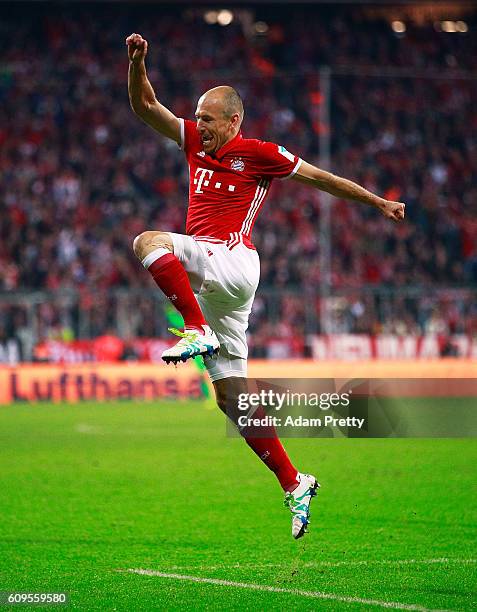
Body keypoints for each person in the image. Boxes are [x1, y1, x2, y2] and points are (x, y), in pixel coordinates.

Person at [126, 33, 405, 539]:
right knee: (232, 397)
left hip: (232, 260)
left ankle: (194, 328)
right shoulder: (192, 142)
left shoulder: (258, 153)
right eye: (198, 118)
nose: (200, 126)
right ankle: (294, 481)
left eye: (208, 119)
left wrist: (378, 203)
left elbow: (322, 179)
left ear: (234, 121)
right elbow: (145, 105)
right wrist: (138, 62)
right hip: (219, 287)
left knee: (148, 241)